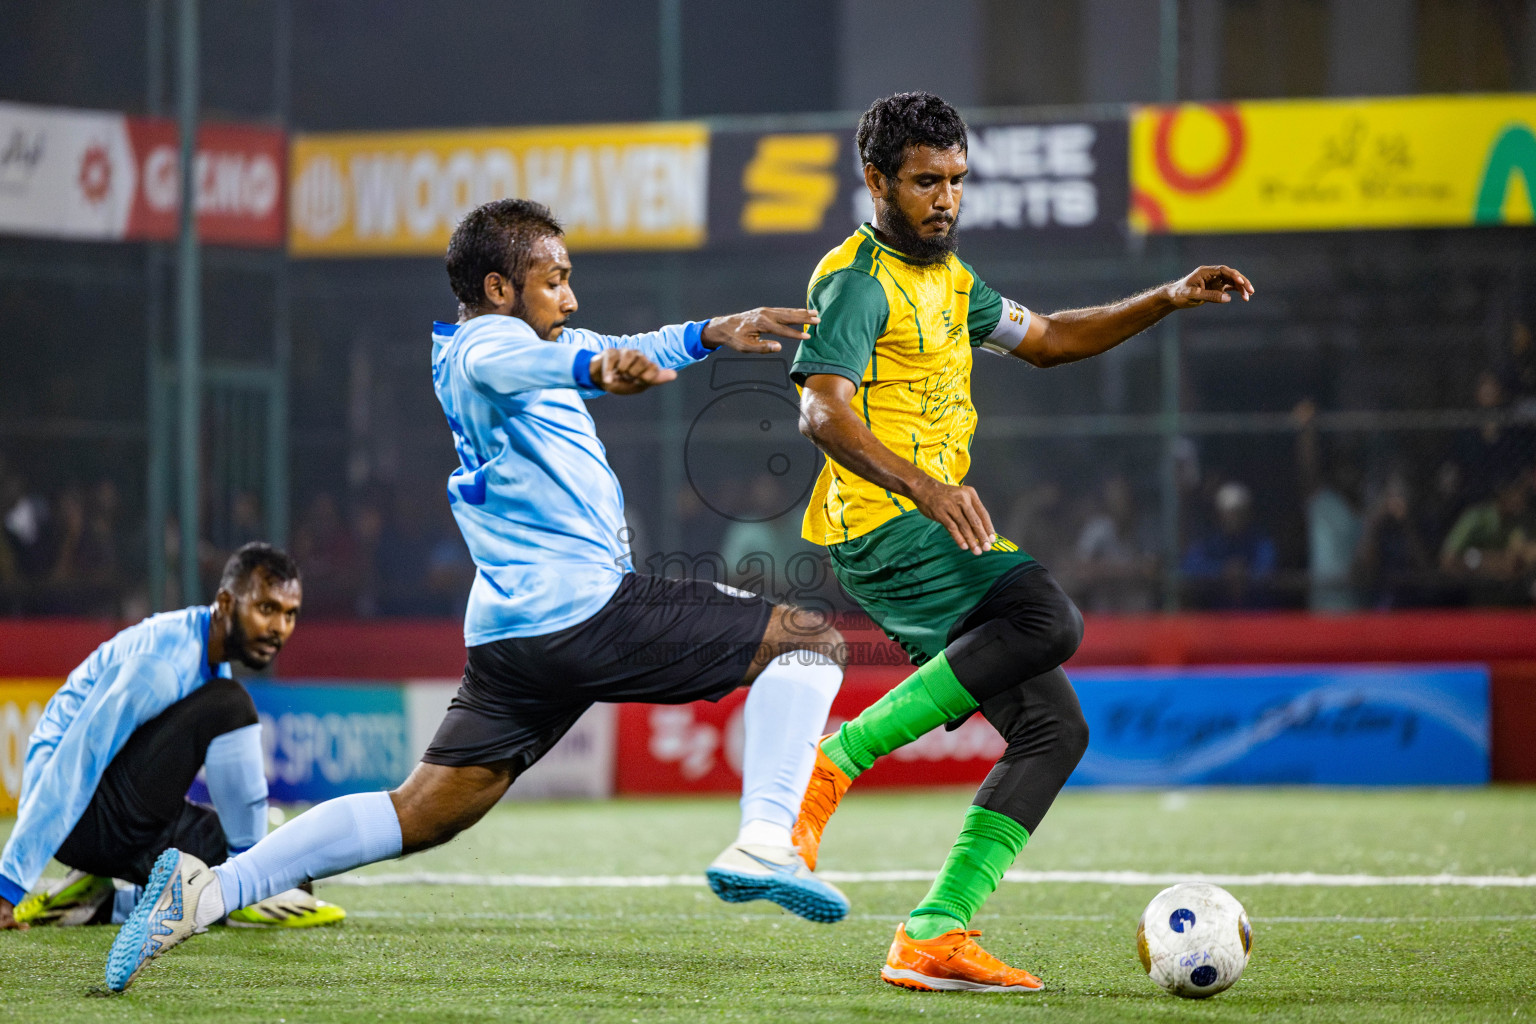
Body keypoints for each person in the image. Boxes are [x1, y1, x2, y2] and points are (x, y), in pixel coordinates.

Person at [105, 198, 849, 991]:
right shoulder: (486, 347)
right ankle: (766, 838)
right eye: (554, 281)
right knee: (810, 640)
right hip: (582, 610)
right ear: (499, 288)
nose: (570, 298)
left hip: (513, 634)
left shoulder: (526, 341)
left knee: (422, 810)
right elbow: (539, 361)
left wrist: (710, 332)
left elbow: (621, 345)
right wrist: (592, 370)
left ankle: (211, 888)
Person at [789, 92, 1253, 994]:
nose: (945, 199)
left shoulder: (956, 284)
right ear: (877, 180)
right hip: (885, 529)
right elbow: (821, 409)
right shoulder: (853, 282)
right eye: (926, 181)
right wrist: (926, 485)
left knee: (1054, 728)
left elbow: (1046, 339)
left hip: (927, 526)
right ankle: (833, 763)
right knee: (1045, 613)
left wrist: (1164, 297)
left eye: (957, 181)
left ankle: (932, 933)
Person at [0, 543, 342, 932]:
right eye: (266, 609)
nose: (279, 627)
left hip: (127, 821)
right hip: (87, 821)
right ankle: (249, 887)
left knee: (291, 874)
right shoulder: (161, 664)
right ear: (227, 603)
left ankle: (98, 903)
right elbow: (76, 761)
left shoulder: (210, 663)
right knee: (230, 705)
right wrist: (7, 887)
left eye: (290, 614)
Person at [1179, 481, 1278, 609]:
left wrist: (1245, 573)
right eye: (1228, 513)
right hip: (1217, 616)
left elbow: (1268, 567)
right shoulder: (1209, 543)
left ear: (1248, 514)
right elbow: (1189, 566)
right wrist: (1222, 570)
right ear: (1219, 515)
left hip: (1256, 615)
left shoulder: (1261, 543)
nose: (1233, 518)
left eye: (1238, 512)